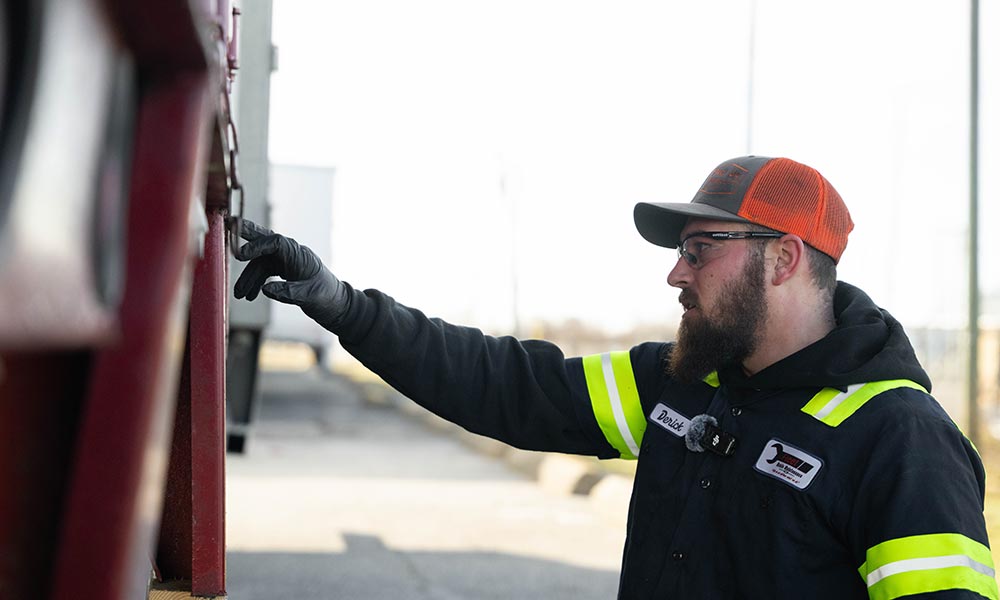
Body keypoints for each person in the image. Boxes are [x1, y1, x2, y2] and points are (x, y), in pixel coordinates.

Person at [233, 155, 997, 600]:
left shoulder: (899, 441)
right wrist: (345, 308)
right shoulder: (685, 385)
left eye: (701, 249)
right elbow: (504, 386)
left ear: (785, 258)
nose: (675, 272)